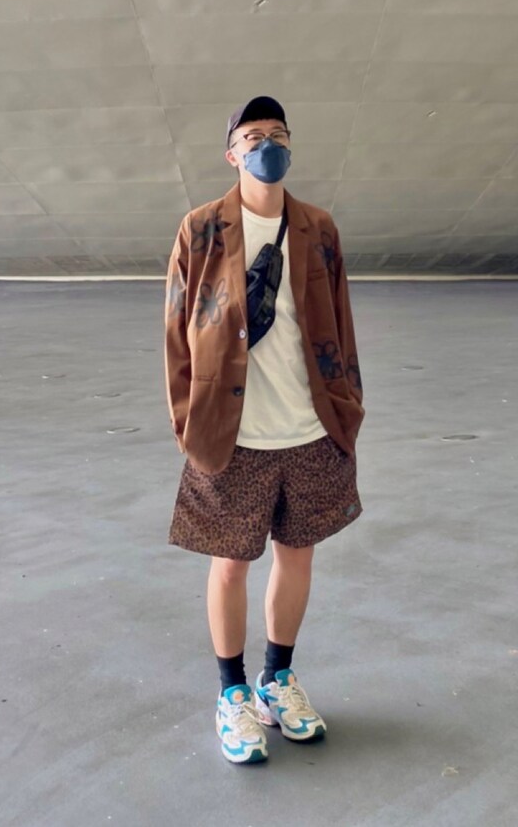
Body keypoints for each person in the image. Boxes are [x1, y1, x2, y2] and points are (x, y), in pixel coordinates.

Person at [164, 94, 365, 766]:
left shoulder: (318, 229)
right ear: (232, 154)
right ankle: (232, 694)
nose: (266, 145)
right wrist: (188, 419)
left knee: (297, 555)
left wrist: (347, 406)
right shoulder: (201, 229)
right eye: (252, 136)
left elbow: (341, 320)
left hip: (310, 427)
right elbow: (177, 331)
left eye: (277, 133)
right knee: (230, 565)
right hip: (232, 433)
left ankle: (278, 680)